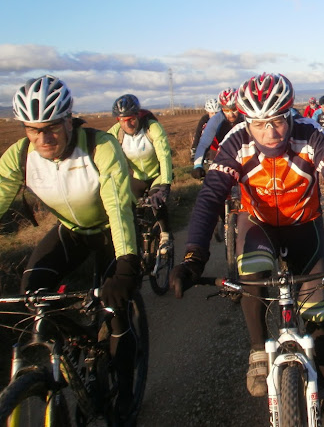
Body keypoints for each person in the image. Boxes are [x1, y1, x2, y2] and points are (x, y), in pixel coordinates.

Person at [171, 73, 324, 426]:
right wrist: (194, 254)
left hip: (305, 226)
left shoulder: (310, 136)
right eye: (259, 124)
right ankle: (259, 350)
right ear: (246, 121)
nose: (270, 133)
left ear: (289, 113)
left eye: (277, 121)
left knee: (316, 311)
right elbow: (211, 195)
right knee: (253, 275)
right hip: (258, 223)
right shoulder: (235, 142)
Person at [0, 75, 140, 420]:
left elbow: (118, 208)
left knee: (116, 310)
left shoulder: (100, 146)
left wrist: (126, 265)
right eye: (33, 129)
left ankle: (125, 394)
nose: (43, 139)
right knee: (32, 293)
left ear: (68, 120)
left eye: (52, 127)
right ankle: (74, 342)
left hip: (110, 230)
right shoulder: (18, 156)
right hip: (72, 230)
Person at [108, 94, 175, 254]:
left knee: (156, 201)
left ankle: (165, 235)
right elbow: (104, 154)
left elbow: (164, 155)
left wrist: (165, 184)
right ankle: (134, 245)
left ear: (138, 115)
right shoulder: (116, 133)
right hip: (137, 177)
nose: (127, 124)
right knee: (129, 207)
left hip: (157, 174)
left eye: (131, 118)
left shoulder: (152, 128)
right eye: (122, 120)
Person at [191, 88, 244, 179]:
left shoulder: (246, 116)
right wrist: (197, 165)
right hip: (226, 153)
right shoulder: (216, 120)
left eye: (234, 109)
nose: (231, 114)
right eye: (226, 110)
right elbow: (204, 143)